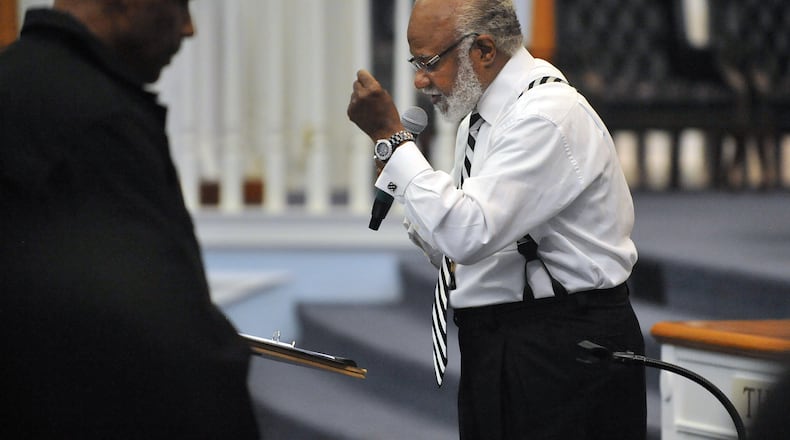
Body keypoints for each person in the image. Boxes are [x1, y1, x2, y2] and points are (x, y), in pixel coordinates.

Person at [347, 0, 646, 438]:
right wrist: (414, 189)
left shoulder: (545, 116)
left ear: (484, 50)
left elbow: (469, 233)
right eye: (415, 62)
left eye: (429, 62)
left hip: (562, 347)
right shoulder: (483, 117)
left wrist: (395, 142)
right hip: (502, 341)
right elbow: (453, 246)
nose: (418, 79)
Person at [0, 1, 259, 438]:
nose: (190, 28)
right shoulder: (98, 119)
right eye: (180, 6)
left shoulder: (17, 81)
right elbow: (157, 338)